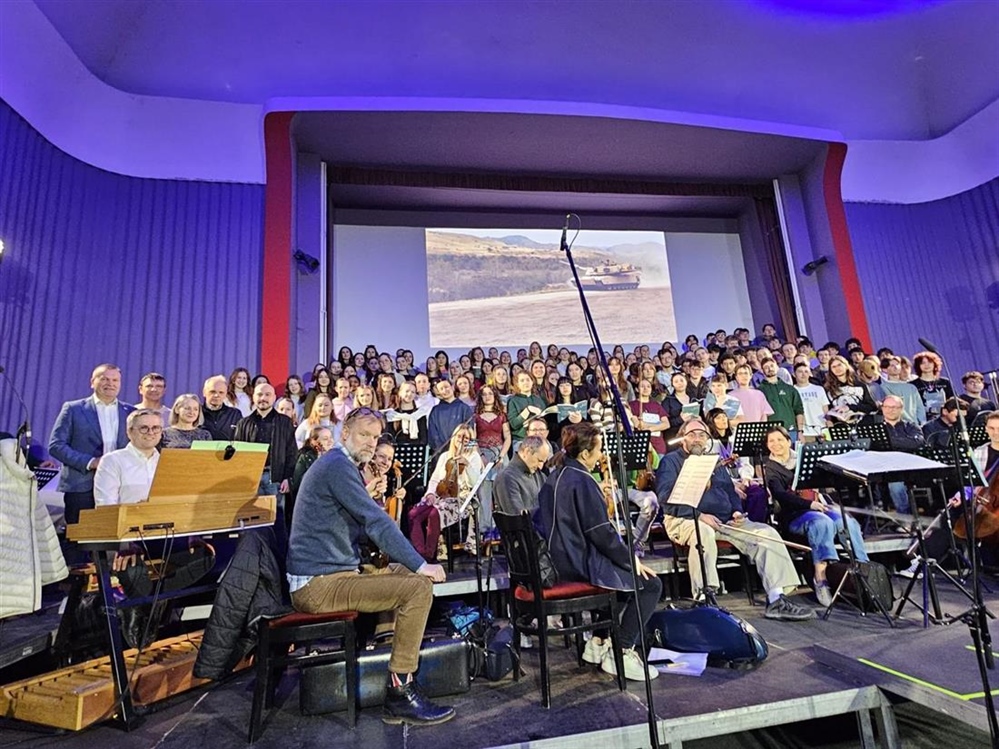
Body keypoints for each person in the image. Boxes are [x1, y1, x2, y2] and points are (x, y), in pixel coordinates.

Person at [286, 407, 453, 726]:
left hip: (332, 574)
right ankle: (400, 691)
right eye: (364, 435)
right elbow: (375, 523)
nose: (370, 443)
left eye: (375, 437)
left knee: (404, 574)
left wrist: (407, 561)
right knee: (417, 585)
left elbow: (363, 525)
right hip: (318, 585)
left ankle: (390, 643)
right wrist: (421, 565)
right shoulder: (337, 466)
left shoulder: (341, 466)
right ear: (344, 433)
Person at [536, 421, 661, 681]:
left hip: (558, 559)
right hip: (577, 563)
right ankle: (622, 651)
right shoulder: (582, 480)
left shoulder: (554, 476)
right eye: (599, 448)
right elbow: (601, 533)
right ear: (584, 454)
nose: (602, 454)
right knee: (650, 585)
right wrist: (631, 560)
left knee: (624, 582)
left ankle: (598, 641)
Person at [655, 419, 814, 620]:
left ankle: (776, 599)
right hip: (683, 519)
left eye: (702, 434)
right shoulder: (670, 461)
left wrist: (736, 512)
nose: (697, 438)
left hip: (724, 521)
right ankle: (705, 598)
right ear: (682, 438)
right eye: (692, 434)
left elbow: (730, 492)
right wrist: (699, 516)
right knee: (702, 532)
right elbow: (665, 498)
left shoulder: (714, 461)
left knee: (767, 533)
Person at [763, 425, 868, 607]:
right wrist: (809, 504)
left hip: (817, 506)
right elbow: (781, 495)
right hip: (794, 515)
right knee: (822, 523)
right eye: (771, 441)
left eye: (780, 439)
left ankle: (865, 570)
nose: (776, 444)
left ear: (789, 441)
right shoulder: (771, 468)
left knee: (847, 521)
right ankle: (821, 578)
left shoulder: (804, 459)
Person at [49, 364, 134, 525]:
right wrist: (91, 462)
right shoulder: (73, 409)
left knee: (112, 538)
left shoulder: (130, 412)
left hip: (119, 485)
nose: (110, 383)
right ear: (92, 382)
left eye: (115, 380)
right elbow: (56, 445)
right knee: (79, 539)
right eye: (104, 379)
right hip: (82, 485)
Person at [93, 409, 163, 506]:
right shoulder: (112, 461)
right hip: (126, 520)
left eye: (155, 428)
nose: (150, 433)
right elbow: (105, 505)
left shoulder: (167, 462)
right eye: (144, 428)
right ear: (129, 432)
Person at [473, 385, 511, 539]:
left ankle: (502, 529)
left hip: (499, 453)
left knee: (502, 492)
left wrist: (502, 456)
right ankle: (486, 529)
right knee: (484, 493)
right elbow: (473, 439)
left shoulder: (501, 415)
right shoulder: (475, 415)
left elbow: (507, 437)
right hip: (482, 454)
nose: (487, 397)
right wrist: (480, 455)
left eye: (490, 394)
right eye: (484, 394)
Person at [878, 394, 925, 514]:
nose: (890, 410)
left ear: (901, 409)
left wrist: (889, 441)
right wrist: (903, 441)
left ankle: (905, 517)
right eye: (887, 407)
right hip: (880, 465)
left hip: (907, 466)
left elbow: (918, 442)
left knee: (896, 485)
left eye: (894, 407)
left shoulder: (910, 426)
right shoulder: (876, 428)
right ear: (882, 408)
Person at [287, 425, 334, 530]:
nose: (330, 441)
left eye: (331, 438)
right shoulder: (305, 457)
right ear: (313, 442)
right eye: (325, 439)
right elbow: (298, 483)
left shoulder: (335, 458)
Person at [492, 436, 551, 516]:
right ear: (527, 451)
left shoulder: (539, 475)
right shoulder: (506, 478)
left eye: (543, 462)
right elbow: (517, 516)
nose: (541, 466)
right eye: (539, 460)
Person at [757, 358, 805, 439]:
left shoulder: (790, 389)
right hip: (771, 432)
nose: (770, 369)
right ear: (762, 371)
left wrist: (800, 431)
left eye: (772, 365)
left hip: (791, 431)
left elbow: (799, 410)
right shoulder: (759, 391)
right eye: (766, 367)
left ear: (777, 367)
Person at [427, 379, 472, 453]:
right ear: (439, 393)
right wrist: (441, 449)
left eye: (446, 387)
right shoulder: (435, 411)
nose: (445, 390)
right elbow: (433, 434)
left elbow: (470, 431)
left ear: (452, 387)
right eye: (441, 389)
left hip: (461, 451)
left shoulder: (464, 408)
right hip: (441, 453)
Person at [507, 371, 548, 445]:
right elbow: (513, 424)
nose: (526, 382)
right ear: (517, 384)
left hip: (540, 438)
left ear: (532, 382)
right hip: (521, 439)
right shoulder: (513, 401)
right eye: (522, 380)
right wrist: (528, 410)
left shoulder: (539, 399)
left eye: (528, 380)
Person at [912, 350, 954, 420]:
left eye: (930, 362)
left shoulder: (945, 382)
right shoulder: (912, 385)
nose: (927, 365)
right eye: (923, 363)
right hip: (923, 420)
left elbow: (953, 400)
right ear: (918, 366)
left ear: (935, 364)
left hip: (945, 419)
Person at [793, 362, 830, 440]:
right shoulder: (792, 390)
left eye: (806, 371)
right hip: (804, 432)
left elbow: (825, 409)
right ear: (794, 374)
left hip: (821, 430)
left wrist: (829, 423)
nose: (803, 374)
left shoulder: (819, 389)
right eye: (800, 371)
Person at [201, 375, 242, 442]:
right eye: (212, 392)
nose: (217, 395)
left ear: (226, 394)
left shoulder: (235, 414)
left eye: (221, 392)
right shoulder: (196, 413)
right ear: (204, 392)